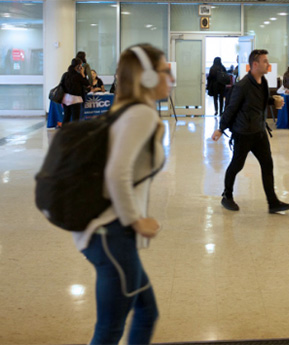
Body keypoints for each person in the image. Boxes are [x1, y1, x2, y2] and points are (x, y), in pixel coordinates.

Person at [73, 43, 172, 345]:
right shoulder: (140, 115)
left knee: (145, 312)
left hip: (109, 234)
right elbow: (116, 173)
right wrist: (136, 220)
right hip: (111, 234)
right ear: (148, 77)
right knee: (110, 329)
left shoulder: (126, 110)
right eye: (166, 72)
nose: (171, 79)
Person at [212, 49, 289, 214]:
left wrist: (273, 101)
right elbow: (231, 108)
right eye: (265, 61)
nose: (268, 64)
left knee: (267, 165)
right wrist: (221, 128)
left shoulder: (263, 81)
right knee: (237, 164)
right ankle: (226, 196)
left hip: (259, 131)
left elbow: (262, 101)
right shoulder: (242, 86)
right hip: (243, 133)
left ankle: (273, 203)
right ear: (255, 64)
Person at [61, 58, 90, 124]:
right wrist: (82, 74)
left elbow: (62, 85)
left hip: (65, 98)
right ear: (78, 66)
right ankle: (74, 132)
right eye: (81, 65)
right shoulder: (78, 76)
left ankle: (64, 131)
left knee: (66, 116)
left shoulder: (65, 75)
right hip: (75, 99)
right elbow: (87, 83)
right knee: (75, 118)